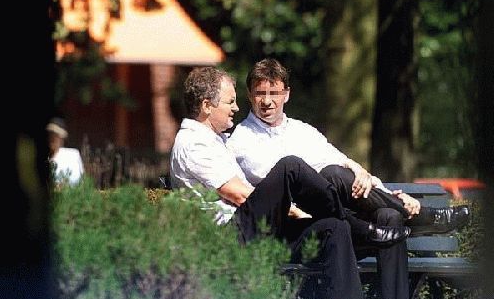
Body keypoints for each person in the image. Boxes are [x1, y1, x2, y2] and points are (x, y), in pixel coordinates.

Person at [226, 58, 470, 299]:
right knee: (332, 174)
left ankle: (404, 214)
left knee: (389, 214)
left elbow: (345, 163)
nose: (267, 101)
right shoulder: (242, 140)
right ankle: (420, 217)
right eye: (260, 93)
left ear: (287, 94)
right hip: (309, 230)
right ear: (249, 95)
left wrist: (381, 188)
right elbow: (277, 189)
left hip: (342, 219)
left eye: (274, 92)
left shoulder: (302, 131)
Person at [170, 67, 410, 298]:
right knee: (290, 167)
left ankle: (358, 228)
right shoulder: (194, 142)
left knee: (333, 228)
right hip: (228, 238)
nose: (235, 107)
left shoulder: (215, 140)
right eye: (229, 102)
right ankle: (364, 230)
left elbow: (339, 161)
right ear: (206, 106)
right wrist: (289, 207)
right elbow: (240, 195)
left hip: (256, 232)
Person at [46, 117, 84, 185]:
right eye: (50, 134)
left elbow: (79, 182)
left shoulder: (72, 156)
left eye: (56, 135)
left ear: (62, 138)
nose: (52, 138)